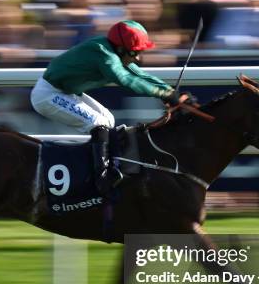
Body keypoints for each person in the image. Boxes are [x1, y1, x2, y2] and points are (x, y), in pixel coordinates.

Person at [31, 20, 179, 195]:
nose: (137, 58)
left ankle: (104, 167)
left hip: (65, 93)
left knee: (108, 120)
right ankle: (101, 178)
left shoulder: (114, 51)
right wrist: (163, 94)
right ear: (122, 49)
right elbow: (126, 80)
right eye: (135, 53)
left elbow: (139, 74)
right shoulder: (104, 54)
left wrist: (170, 91)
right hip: (47, 95)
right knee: (98, 122)